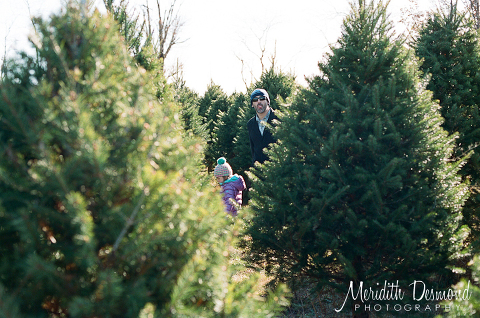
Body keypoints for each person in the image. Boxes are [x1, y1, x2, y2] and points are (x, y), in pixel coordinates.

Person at [247, 88, 278, 165]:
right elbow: (253, 150)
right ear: (252, 104)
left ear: (267, 101)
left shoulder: (279, 119)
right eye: (255, 99)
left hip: (278, 170)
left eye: (262, 98)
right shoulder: (251, 124)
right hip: (259, 171)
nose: (258, 101)